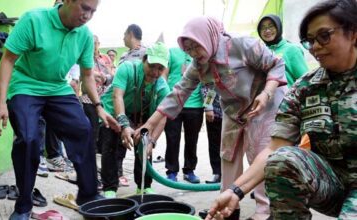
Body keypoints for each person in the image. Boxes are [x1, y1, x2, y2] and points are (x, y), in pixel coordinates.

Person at [205, 0, 357, 219]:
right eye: (310, 41)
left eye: (324, 36)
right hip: (330, 184)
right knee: (282, 159)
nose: (315, 47)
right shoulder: (305, 87)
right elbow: (273, 149)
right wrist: (235, 191)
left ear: (353, 33)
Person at [135, 16, 287, 220]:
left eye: (196, 46)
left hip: (264, 105)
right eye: (188, 49)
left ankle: (264, 211)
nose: (193, 53)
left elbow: (276, 64)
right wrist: (148, 125)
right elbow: (179, 92)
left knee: (259, 156)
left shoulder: (242, 45)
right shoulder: (198, 64)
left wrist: (266, 93)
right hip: (234, 111)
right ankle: (227, 208)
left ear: (207, 38)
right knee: (228, 157)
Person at [0, 0, 120, 219]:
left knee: (83, 129)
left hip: (58, 87)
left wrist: (99, 107)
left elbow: (88, 75)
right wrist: (0, 102)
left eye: (93, 11)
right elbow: (8, 60)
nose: (87, 15)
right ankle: (23, 205)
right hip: (26, 85)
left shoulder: (85, 35)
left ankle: (88, 196)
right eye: (84, 8)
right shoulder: (34, 20)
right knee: (29, 138)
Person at [99, 42, 170, 198]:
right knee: (111, 145)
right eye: (152, 65)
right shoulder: (127, 69)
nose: (155, 72)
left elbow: (162, 117)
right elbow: (117, 96)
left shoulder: (162, 86)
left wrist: (152, 141)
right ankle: (109, 187)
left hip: (141, 115)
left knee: (145, 144)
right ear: (144, 60)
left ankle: (144, 186)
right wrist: (124, 125)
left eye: (160, 68)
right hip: (114, 111)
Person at [163, 47, 204, 183]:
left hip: (195, 104)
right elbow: (164, 75)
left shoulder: (199, 53)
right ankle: (172, 171)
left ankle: (189, 170)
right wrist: (166, 96)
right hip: (174, 103)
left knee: (192, 140)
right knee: (172, 138)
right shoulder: (172, 52)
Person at [116, 23, 147, 187]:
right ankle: (118, 175)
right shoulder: (123, 57)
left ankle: (143, 184)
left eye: (124, 34)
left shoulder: (147, 54)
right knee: (119, 144)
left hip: (143, 109)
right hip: (123, 108)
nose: (123, 38)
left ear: (131, 34)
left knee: (142, 146)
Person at [257, 14, 309, 88]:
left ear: (278, 27)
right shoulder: (260, 52)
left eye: (271, 26)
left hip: (287, 98)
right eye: (263, 28)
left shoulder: (292, 50)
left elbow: (305, 80)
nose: (267, 31)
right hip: (265, 98)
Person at [201, 86, 222, 184]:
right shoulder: (213, 71)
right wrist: (208, 107)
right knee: (214, 144)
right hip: (215, 113)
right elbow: (208, 86)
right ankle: (217, 173)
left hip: (234, 114)